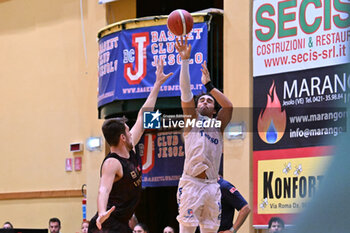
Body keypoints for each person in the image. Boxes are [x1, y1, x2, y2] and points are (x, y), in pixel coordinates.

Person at [88, 59, 173, 233]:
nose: (131, 132)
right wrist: (102, 211)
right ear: (122, 138)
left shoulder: (130, 148)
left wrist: (157, 84)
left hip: (119, 224)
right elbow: (103, 189)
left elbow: (143, 115)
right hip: (106, 225)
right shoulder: (112, 163)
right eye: (128, 131)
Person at [175, 36, 233, 233]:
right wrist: (185, 61)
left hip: (211, 186)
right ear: (197, 107)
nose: (205, 102)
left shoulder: (218, 125)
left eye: (209, 101)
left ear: (214, 109)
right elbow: (185, 91)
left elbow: (229, 106)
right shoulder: (192, 119)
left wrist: (209, 86)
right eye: (202, 101)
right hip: (192, 184)